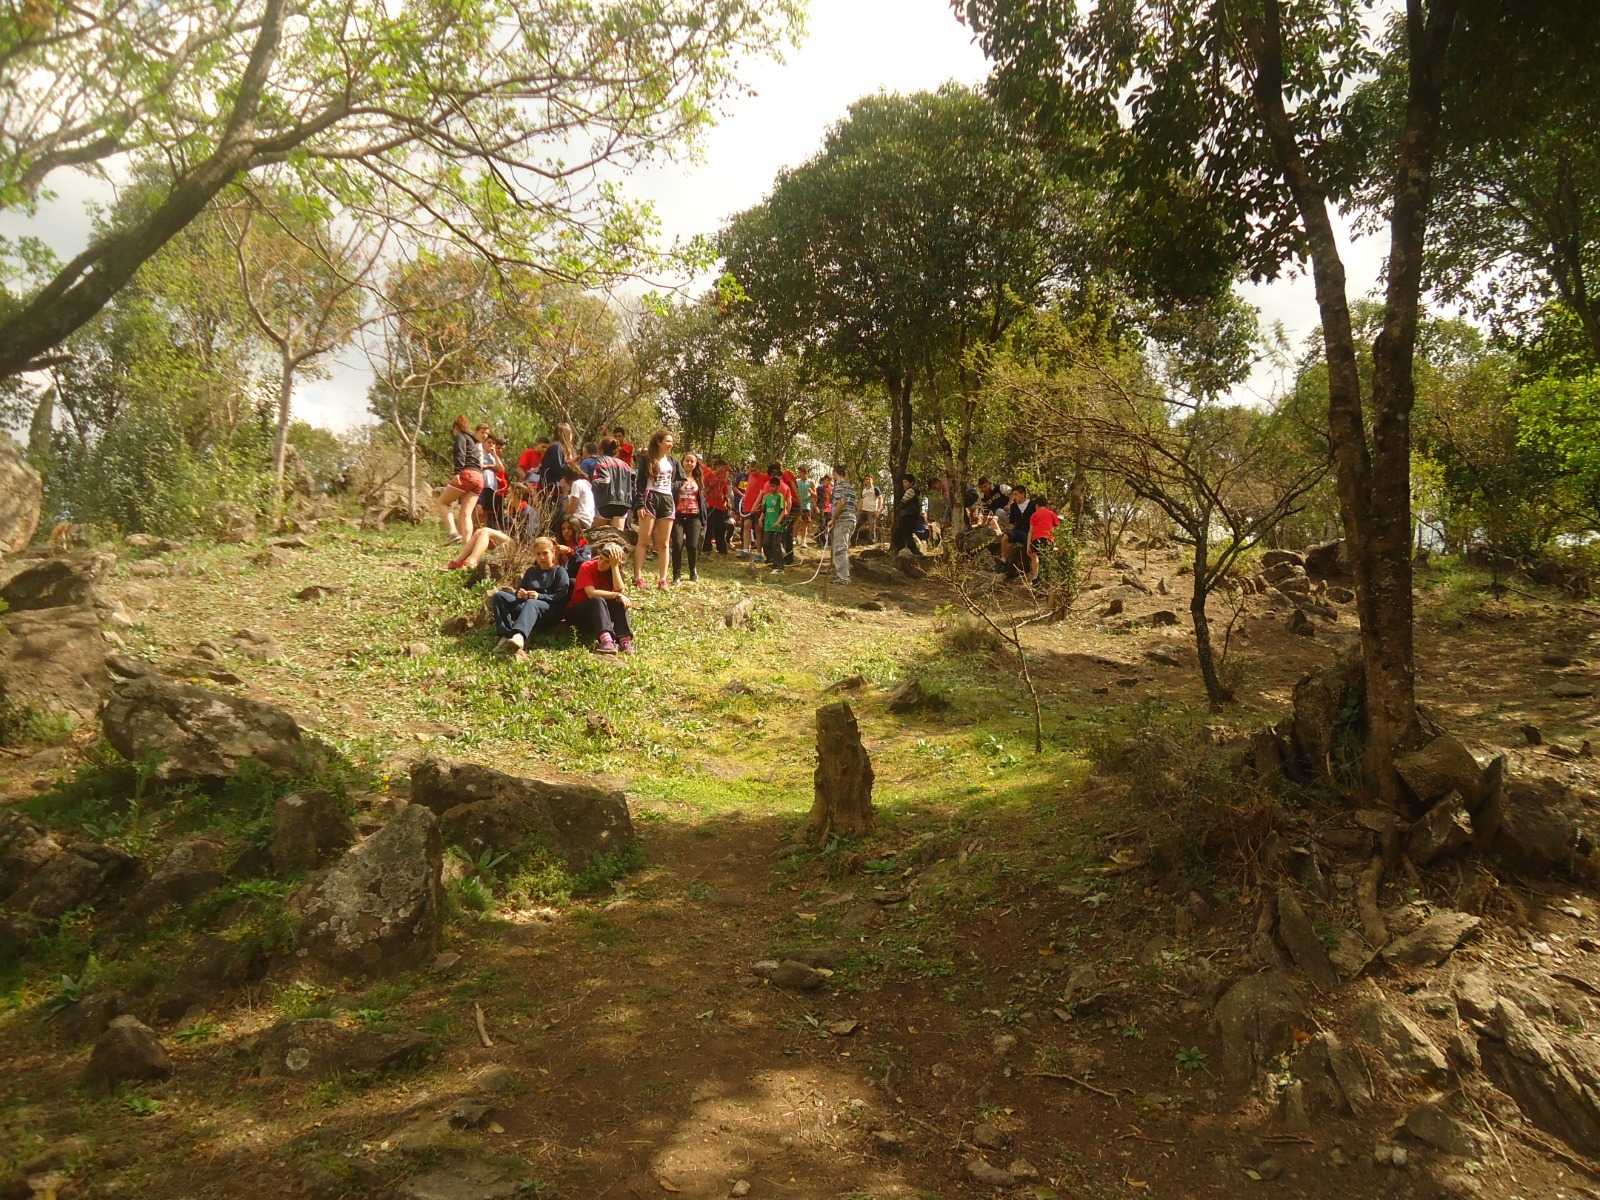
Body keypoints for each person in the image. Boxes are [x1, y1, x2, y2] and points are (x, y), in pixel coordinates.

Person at [490, 536, 571, 651]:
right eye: (538, 554)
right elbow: (521, 589)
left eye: (545, 553)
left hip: (550, 611)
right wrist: (520, 594)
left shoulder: (559, 572)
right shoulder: (531, 571)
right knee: (500, 596)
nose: (541, 557)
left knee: (532, 602)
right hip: (529, 607)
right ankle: (505, 635)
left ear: (553, 553)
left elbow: (561, 596)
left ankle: (520, 636)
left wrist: (540, 596)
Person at [632, 429, 683, 590]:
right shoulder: (647, 459)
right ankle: (637, 577)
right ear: (659, 442)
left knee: (664, 543)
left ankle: (663, 580)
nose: (670, 444)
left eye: (672, 441)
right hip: (650, 497)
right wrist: (640, 504)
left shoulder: (673, 461)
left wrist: (671, 485)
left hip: (667, 499)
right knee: (644, 540)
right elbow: (639, 483)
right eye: (667, 441)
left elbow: (681, 479)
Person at [567, 542, 634, 654]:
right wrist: (617, 595)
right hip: (578, 613)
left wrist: (614, 567)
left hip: (600, 616)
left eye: (607, 562)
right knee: (598, 599)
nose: (601, 563)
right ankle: (606, 639)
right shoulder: (587, 566)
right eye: (601, 558)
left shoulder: (614, 571)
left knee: (619, 602)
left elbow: (619, 590)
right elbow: (591, 593)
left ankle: (624, 640)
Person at [438, 414, 484, 544]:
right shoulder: (474, 442)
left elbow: (460, 453)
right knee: (466, 514)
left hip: (467, 474)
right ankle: (466, 546)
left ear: (456, 427)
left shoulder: (460, 436)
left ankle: (453, 532)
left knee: (441, 502)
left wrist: (458, 472)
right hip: (479, 477)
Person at [671, 451, 705, 584]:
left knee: (692, 545)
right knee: (677, 544)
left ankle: (693, 570)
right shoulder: (675, 477)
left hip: (694, 516)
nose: (689, 463)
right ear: (682, 462)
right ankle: (676, 575)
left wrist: (704, 519)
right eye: (687, 460)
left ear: (696, 464)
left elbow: (701, 499)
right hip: (677, 515)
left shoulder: (698, 479)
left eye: (692, 461)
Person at [589, 437, 634, 530]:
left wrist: (592, 489)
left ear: (601, 449)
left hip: (605, 503)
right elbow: (634, 480)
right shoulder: (625, 465)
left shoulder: (601, 460)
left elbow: (604, 480)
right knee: (617, 535)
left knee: (597, 535)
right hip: (623, 504)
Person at [827, 465, 856, 585]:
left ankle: (843, 578)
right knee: (843, 548)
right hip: (851, 520)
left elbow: (842, 503)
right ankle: (842, 575)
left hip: (843, 520)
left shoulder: (839, 486)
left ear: (835, 473)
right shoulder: (851, 487)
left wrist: (833, 519)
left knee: (840, 549)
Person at [999, 484, 1038, 571]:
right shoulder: (1013, 506)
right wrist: (1009, 531)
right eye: (1013, 494)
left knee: (1030, 547)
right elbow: (1012, 521)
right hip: (1017, 530)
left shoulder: (1032, 504)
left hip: (1029, 532)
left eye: (1016, 494)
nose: (1014, 497)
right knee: (1005, 536)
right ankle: (1003, 559)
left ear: (1023, 494)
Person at [1027, 497, 1063, 585]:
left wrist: (1028, 545)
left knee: (1035, 556)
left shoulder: (1034, 515)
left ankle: (1035, 577)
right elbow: (1057, 525)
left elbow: (1030, 531)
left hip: (1036, 538)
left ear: (1037, 505)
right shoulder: (1051, 513)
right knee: (1046, 558)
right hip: (1048, 538)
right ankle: (1046, 578)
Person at [760, 467, 789, 575]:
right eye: (770, 486)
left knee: (776, 546)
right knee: (766, 543)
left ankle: (779, 567)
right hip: (767, 525)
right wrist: (760, 519)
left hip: (777, 526)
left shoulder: (780, 497)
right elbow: (764, 510)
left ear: (777, 487)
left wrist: (778, 522)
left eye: (773, 486)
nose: (771, 488)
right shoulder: (767, 497)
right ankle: (772, 559)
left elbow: (782, 511)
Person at [703, 455, 733, 556]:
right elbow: (704, 491)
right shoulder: (708, 476)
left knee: (720, 528)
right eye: (723, 468)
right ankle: (706, 548)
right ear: (718, 467)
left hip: (720, 505)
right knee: (709, 527)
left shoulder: (722, 479)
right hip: (710, 504)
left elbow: (725, 492)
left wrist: (727, 501)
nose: (724, 470)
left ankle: (722, 549)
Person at [476, 426, 504, 531]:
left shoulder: (493, 457)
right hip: (481, 485)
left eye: (493, 443)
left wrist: (495, 455)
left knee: (487, 513)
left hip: (492, 488)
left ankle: (482, 532)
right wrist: (491, 466)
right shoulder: (480, 453)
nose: (491, 444)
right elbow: (478, 466)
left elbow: (501, 469)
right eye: (489, 442)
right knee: (478, 511)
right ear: (484, 443)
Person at [890, 475, 927, 553]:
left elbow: (902, 503)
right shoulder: (913, 491)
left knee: (901, 536)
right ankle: (910, 552)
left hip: (908, 517)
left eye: (905, 482)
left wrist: (898, 508)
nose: (904, 484)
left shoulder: (910, 491)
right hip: (910, 516)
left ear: (911, 483)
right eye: (903, 482)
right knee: (904, 535)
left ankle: (912, 552)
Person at [561, 464, 596, 533]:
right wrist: (565, 492)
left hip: (580, 519)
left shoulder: (576, 484)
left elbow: (570, 512)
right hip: (587, 521)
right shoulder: (584, 484)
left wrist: (564, 492)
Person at [856, 476, 881, 545]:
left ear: (872, 480)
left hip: (872, 511)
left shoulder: (875, 489)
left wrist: (878, 510)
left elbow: (880, 499)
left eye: (869, 479)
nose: (867, 480)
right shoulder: (863, 491)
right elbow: (861, 501)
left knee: (871, 527)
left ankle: (871, 543)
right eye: (866, 479)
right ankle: (853, 542)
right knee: (857, 526)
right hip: (863, 511)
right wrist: (858, 511)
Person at [793, 471, 814, 551]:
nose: (801, 474)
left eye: (802, 472)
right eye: (800, 472)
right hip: (798, 504)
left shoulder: (811, 482)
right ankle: (794, 538)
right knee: (796, 521)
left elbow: (815, 495)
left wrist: (811, 492)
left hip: (806, 505)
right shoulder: (797, 481)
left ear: (806, 473)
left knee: (804, 522)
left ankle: (803, 540)